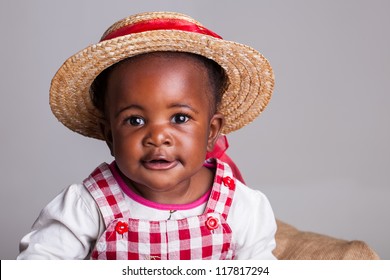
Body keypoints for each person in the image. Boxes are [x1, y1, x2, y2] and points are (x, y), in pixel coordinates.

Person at [17, 11, 277, 260]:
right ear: (109, 135)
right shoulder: (88, 205)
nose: (158, 137)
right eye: (135, 120)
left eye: (180, 118)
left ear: (211, 132)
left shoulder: (240, 206)